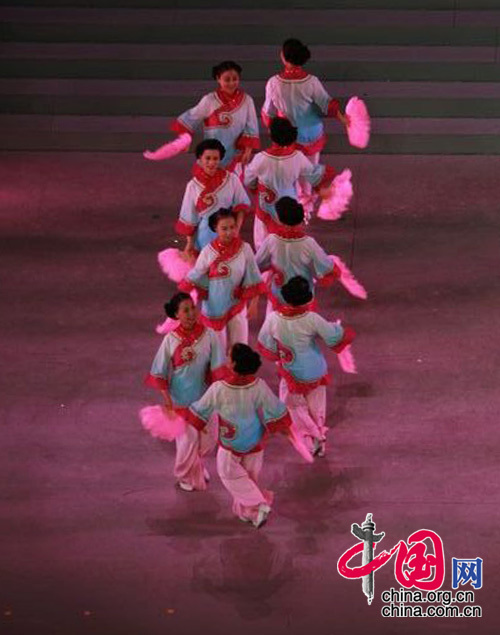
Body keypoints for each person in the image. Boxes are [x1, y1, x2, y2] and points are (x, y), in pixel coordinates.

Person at [187, 343, 292, 528]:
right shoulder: (259, 385)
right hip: (255, 441)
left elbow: (199, 409)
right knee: (249, 479)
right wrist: (284, 428)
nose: (226, 359)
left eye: (228, 356)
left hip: (232, 443)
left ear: (233, 364)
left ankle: (259, 503)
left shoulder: (219, 388)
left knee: (228, 474)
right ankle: (251, 514)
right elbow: (275, 408)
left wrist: (195, 423)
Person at [257, 276, 355, 457]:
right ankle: (319, 442)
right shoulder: (312, 318)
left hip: (292, 370)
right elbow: (333, 336)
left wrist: (280, 352)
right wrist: (338, 328)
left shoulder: (273, 319)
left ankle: (314, 437)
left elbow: (265, 344)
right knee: (316, 408)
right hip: (316, 369)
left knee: (292, 406)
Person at [145, 293, 227, 491]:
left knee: (210, 439)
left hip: (205, 398)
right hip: (181, 399)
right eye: (185, 310)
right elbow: (159, 371)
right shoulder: (170, 340)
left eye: (193, 308)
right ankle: (185, 475)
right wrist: (168, 402)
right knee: (187, 441)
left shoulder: (210, 335)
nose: (191, 313)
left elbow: (219, 369)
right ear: (176, 315)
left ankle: (195, 465)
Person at [179, 208, 266, 350]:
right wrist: (185, 289)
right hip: (213, 307)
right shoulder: (208, 251)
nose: (229, 232)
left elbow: (253, 276)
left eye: (232, 227)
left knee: (240, 349)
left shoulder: (245, 249)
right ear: (215, 228)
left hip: (237, 304)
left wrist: (253, 304)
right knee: (216, 352)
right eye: (224, 228)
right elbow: (197, 273)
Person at [244, 117, 336, 248]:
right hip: (289, 205)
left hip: (266, 205)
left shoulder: (260, 159)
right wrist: (322, 189)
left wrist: (256, 189)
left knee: (263, 245)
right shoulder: (297, 157)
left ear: (271, 135)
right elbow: (314, 175)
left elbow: (248, 180)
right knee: (288, 243)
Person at [262, 38, 349, 162]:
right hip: (311, 133)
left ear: (283, 56)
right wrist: (343, 119)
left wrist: (274, 132)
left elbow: (268, 112)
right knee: (312, 172)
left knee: (290, 172)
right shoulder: (311, 81)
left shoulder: (273, 83)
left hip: (287, 135)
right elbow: (328, 104)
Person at [172, 61, 260, 171]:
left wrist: (248, 151)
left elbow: (251, 127)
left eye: (235, 79)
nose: (232, 83)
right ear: (218, 79)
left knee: (233, 183)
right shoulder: (209, 100)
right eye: (227, 79)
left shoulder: (247, 100)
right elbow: (192, 117)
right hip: (212, 153)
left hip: (235, 152)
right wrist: (186, 139)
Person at [255, 196, 340, 309]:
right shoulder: (308, 243)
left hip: (278, 296)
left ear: (279, 219)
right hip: (302, 296)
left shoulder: (271, 241)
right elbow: (326, 267)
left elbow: (255, 266)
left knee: (274, 324)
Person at [175, 139, 251, 255]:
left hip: (229, 232)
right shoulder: (193, 185)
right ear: (200, 159)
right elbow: (189, 216)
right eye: (208, 158)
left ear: (220, 159)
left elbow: (242, 206)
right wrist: (190, 243)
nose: (211, 163)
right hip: (205, 234)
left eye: (215, 159)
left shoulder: (231, 179)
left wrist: (236, 229)